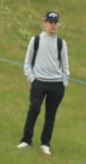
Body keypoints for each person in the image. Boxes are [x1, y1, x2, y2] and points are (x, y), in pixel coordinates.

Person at [18, 12, 71, 156]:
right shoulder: (35, 40)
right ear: (45, 23)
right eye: (50, 22)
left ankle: (45, 143)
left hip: (56, 84)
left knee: (50, 115)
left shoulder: (61, 43)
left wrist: (64, 82)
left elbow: (65, 67)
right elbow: (27, 63)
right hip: (39, 82)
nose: (53, 25)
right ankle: (26, 139)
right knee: (34, 109)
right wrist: (32, 79)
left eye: (55, 22)